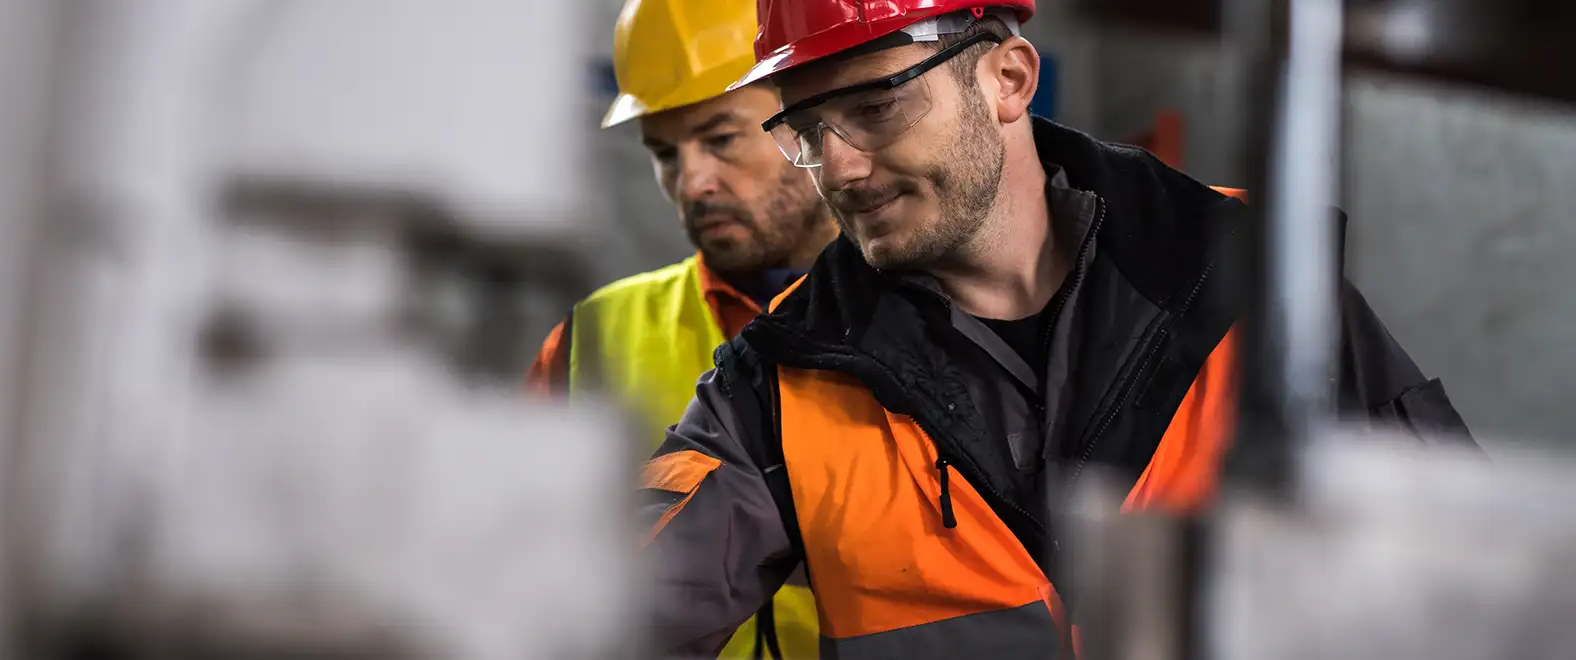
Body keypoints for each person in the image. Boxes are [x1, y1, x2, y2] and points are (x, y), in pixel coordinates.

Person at [637, 1, 1477, 657]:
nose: (842, 166)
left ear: (1008, 78)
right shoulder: (776, 379)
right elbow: (615, 616)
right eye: (807, 130)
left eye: (875, 105)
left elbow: (1463, 574)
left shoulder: (1253, 275)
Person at [525, 0, 839, 656]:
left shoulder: (937, 321)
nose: (692, 183)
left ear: (809, 119)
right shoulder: (590, 339)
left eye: (720, 138)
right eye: (665, 153)